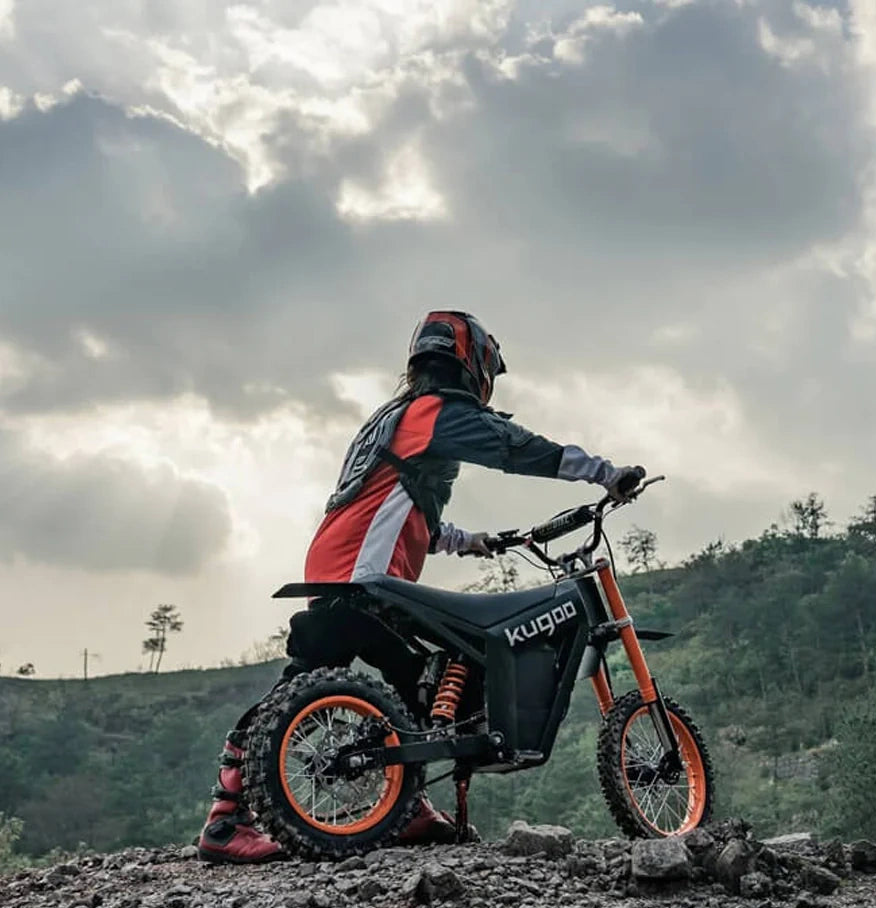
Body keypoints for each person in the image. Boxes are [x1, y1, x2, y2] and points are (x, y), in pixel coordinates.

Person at [197, 311, 644, 863]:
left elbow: (400, 510)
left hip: (344, 560)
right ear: (473, 363)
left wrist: (471, 541)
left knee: (417, 686)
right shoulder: (434, 413)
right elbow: (513, 446)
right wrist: (603, 472)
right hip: (362, 571)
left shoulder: (397, 419)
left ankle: (406, 808)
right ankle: (224, 819)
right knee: (309, 686)